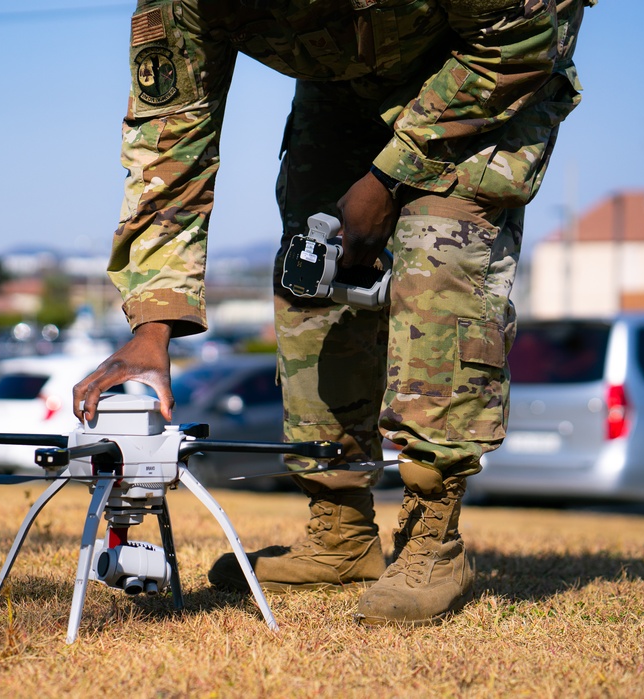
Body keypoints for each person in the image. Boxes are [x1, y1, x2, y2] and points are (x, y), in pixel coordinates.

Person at [74, 0, 592, 626]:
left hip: (484, 66)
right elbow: (169, 144)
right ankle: (339, 532)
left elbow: (524, 41)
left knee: (441, 251)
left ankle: (434, 536)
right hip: (343, 83)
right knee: (313, 264)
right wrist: (152, 325)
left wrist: (386, 180)